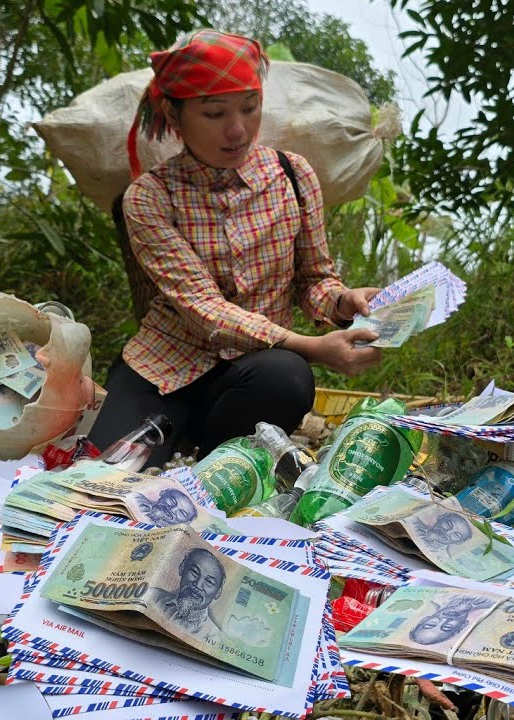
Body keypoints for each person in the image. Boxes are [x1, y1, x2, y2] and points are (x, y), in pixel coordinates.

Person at [88, 29, 382, 468]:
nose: (238, 130)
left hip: (252, 375)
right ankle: (179, 436)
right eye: (214, 113)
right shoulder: (150, 196)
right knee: (105, 471)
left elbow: (314, 279)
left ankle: (208, 451)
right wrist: (311, 344)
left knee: (286, 376)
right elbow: (203, 308)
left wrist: (343, 303)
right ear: (174, 112)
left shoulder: (293, 176)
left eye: (250, 107)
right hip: (165, 369)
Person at [151, 547, 227, 638]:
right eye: (194, 572)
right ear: (182, 568)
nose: (198, 585)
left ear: (218, 593)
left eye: (209, 582)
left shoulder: (215, 637)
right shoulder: (151, 596)